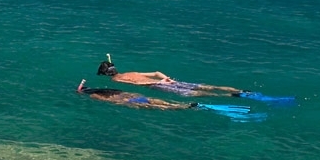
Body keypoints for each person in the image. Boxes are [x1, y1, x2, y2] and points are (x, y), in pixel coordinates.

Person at [96, 61, 243, 97]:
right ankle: (239, 91)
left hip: (158, 85)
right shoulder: (132, 71)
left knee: (191, 93)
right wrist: (167, 79)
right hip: (166, 81)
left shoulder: (115, 81)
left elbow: (141, 85)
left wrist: (158, 83)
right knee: (202, 86)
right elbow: (156, 72)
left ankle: (229, 95)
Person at [76, 79, 196, 110]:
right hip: (134, 96)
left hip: (129, 102)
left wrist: (121, 104)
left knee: (157, 107)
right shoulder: (110, 90)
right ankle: (181, 104)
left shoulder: (94, 95)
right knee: (157, 101)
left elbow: (111, 101)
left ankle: (181, 107)